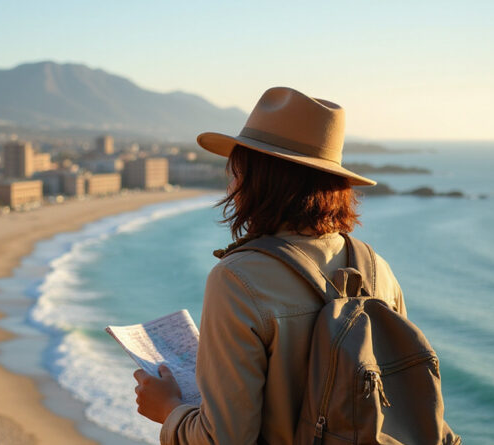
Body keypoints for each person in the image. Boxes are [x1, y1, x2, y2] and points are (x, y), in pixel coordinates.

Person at [132, 87, 406, 444]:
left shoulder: (237, 279)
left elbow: (224, 439)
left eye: (237, 169)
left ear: (258, 177)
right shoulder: (377, 269)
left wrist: (168, 409)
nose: (231, 182)